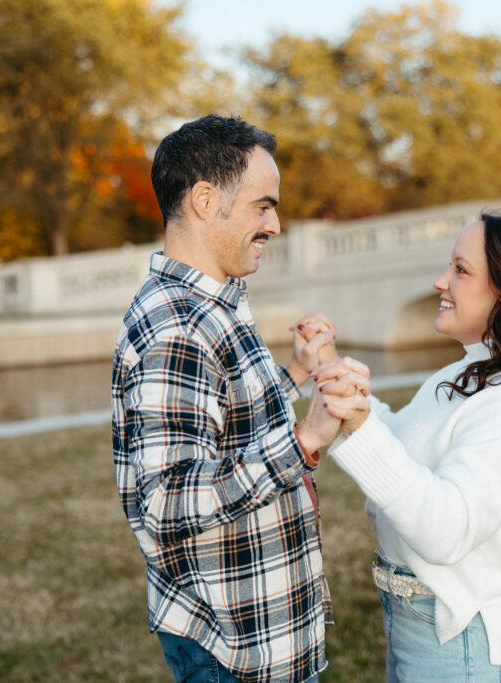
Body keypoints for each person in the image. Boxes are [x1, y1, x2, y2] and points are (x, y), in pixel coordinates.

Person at [312, 214, 501, 681]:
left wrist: (357, 421)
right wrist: (338, 377)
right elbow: (401, 447)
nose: (441, 281)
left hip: (466, 642)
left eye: (461, 269)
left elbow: (447, 530)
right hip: (427, 627)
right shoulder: (475, 371)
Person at [111, 114, 342, 683]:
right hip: (233, 651)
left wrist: (295, 372)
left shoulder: (215, 304)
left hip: (258, 632)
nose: (277, 224)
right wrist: (305, 441)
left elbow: (227, 421)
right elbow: (168, 503)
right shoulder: (179, 328)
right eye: (263, 206)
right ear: (206, 200)